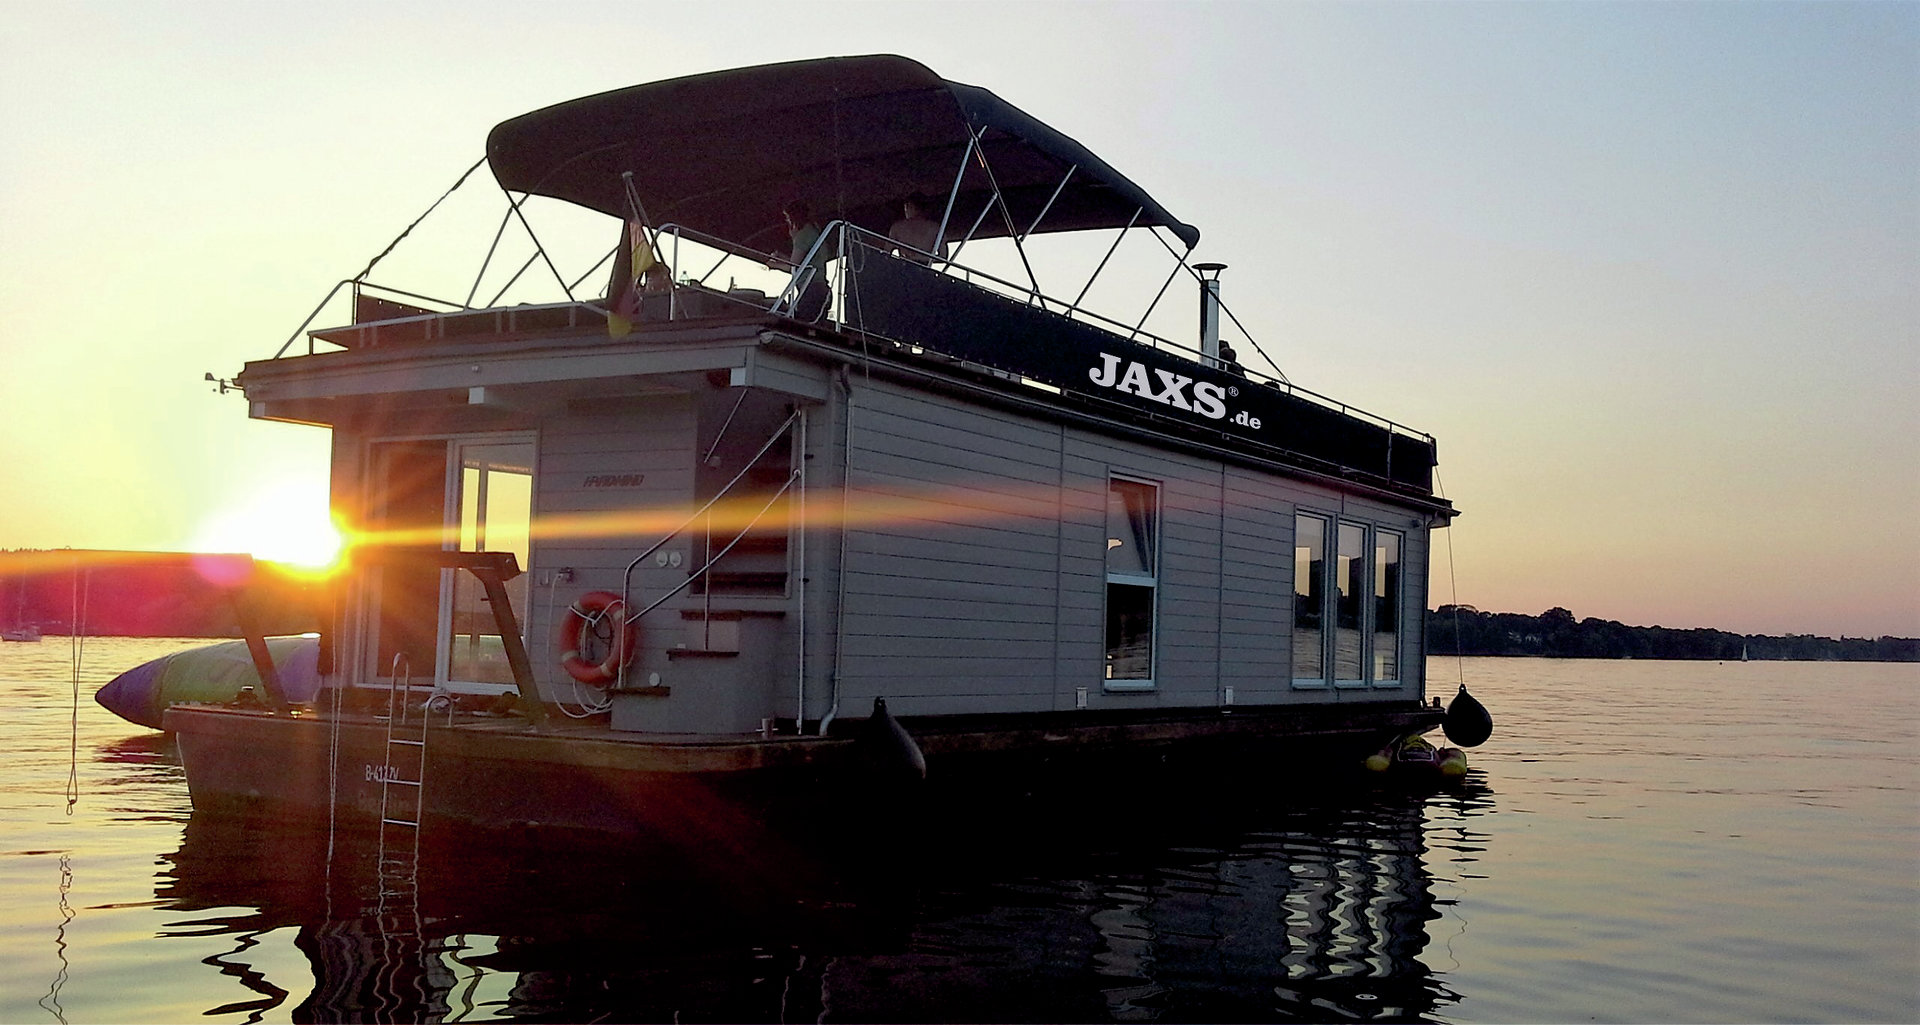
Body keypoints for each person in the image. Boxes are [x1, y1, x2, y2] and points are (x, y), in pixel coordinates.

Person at [779, 200, 831, 322]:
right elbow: (802, 262)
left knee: (802, 324)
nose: (787, 221)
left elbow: (793, 265)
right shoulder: (814, 232)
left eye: (787, 217)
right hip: (819, 289)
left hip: (812, 289)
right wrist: (781, 257)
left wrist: (773, 265)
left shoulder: (804, 234)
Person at [887, 193, 947, 264]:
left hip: (904, 268)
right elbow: (943, 256)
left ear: (910, 207)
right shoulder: (936, 228)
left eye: (906, 208)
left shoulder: (897, 227)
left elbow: (886, 252)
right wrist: (924, 258)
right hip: (925, 269)